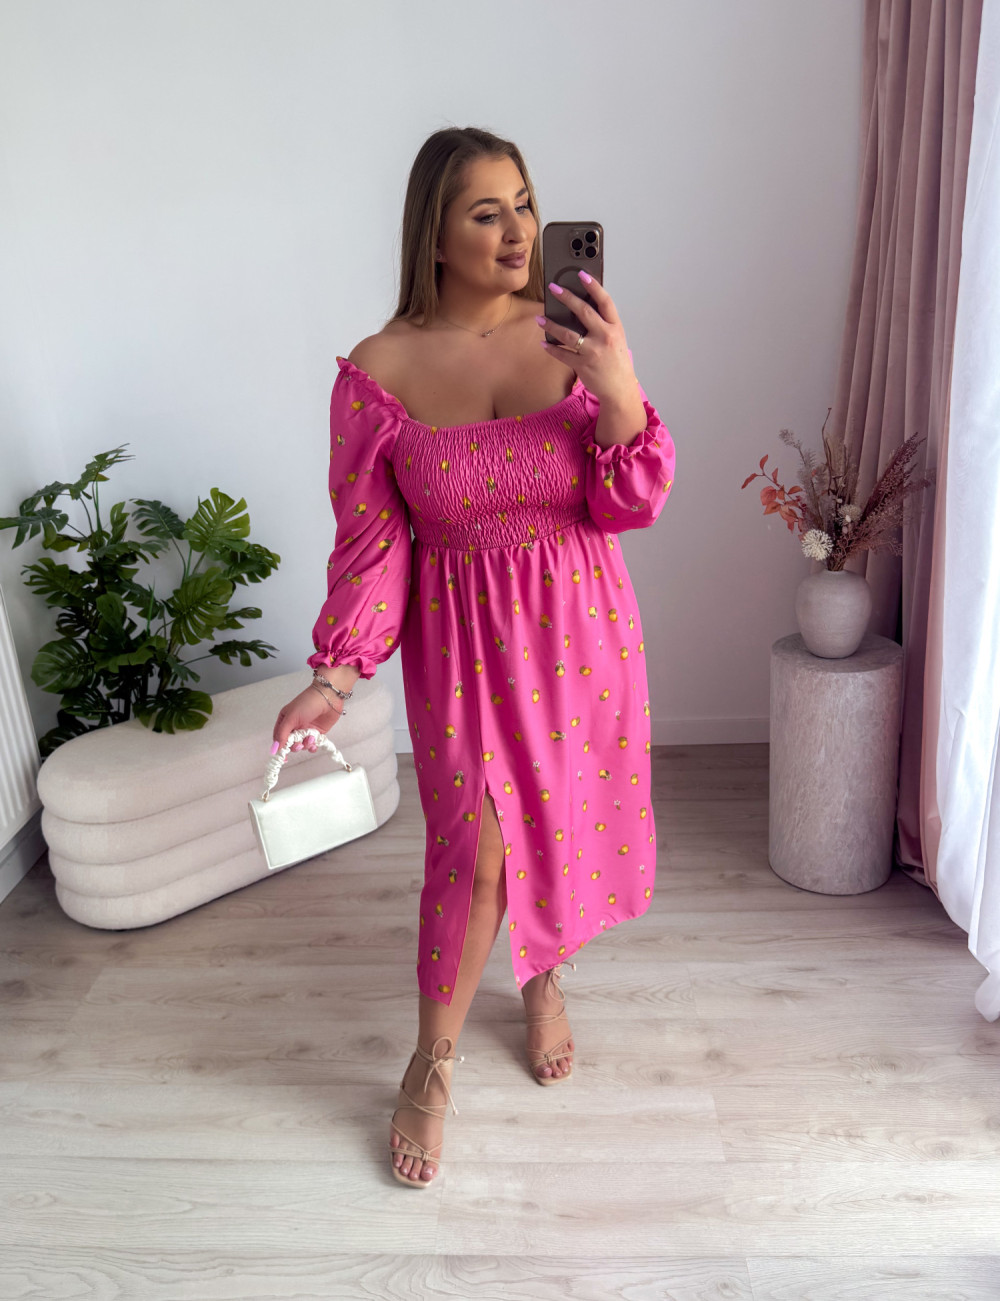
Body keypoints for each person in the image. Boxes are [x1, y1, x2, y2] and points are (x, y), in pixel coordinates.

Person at [272, 126, 676, 1188]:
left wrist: (618, 380)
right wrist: (335, 674)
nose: (518, 231)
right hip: (460, 649)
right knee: (475, 852)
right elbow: (373, 546)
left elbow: (631, 498)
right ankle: (432, 1058)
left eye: (526, 204)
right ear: (434, 235)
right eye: (486, 212)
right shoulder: (378, 373)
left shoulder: (571, 337)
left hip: (581, 633)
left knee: (560, 819)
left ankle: (543, 977)